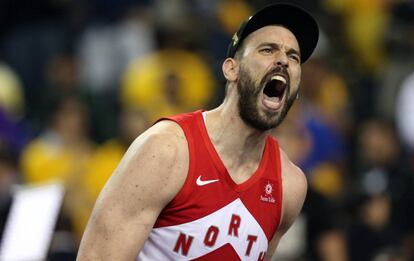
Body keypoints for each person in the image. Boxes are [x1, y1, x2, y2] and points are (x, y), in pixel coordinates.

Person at [77, 3, 319, 260]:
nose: (283, 60)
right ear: (231, 69)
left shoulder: (289, 185)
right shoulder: (166, 150)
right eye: (267, 49)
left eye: (293, 56)